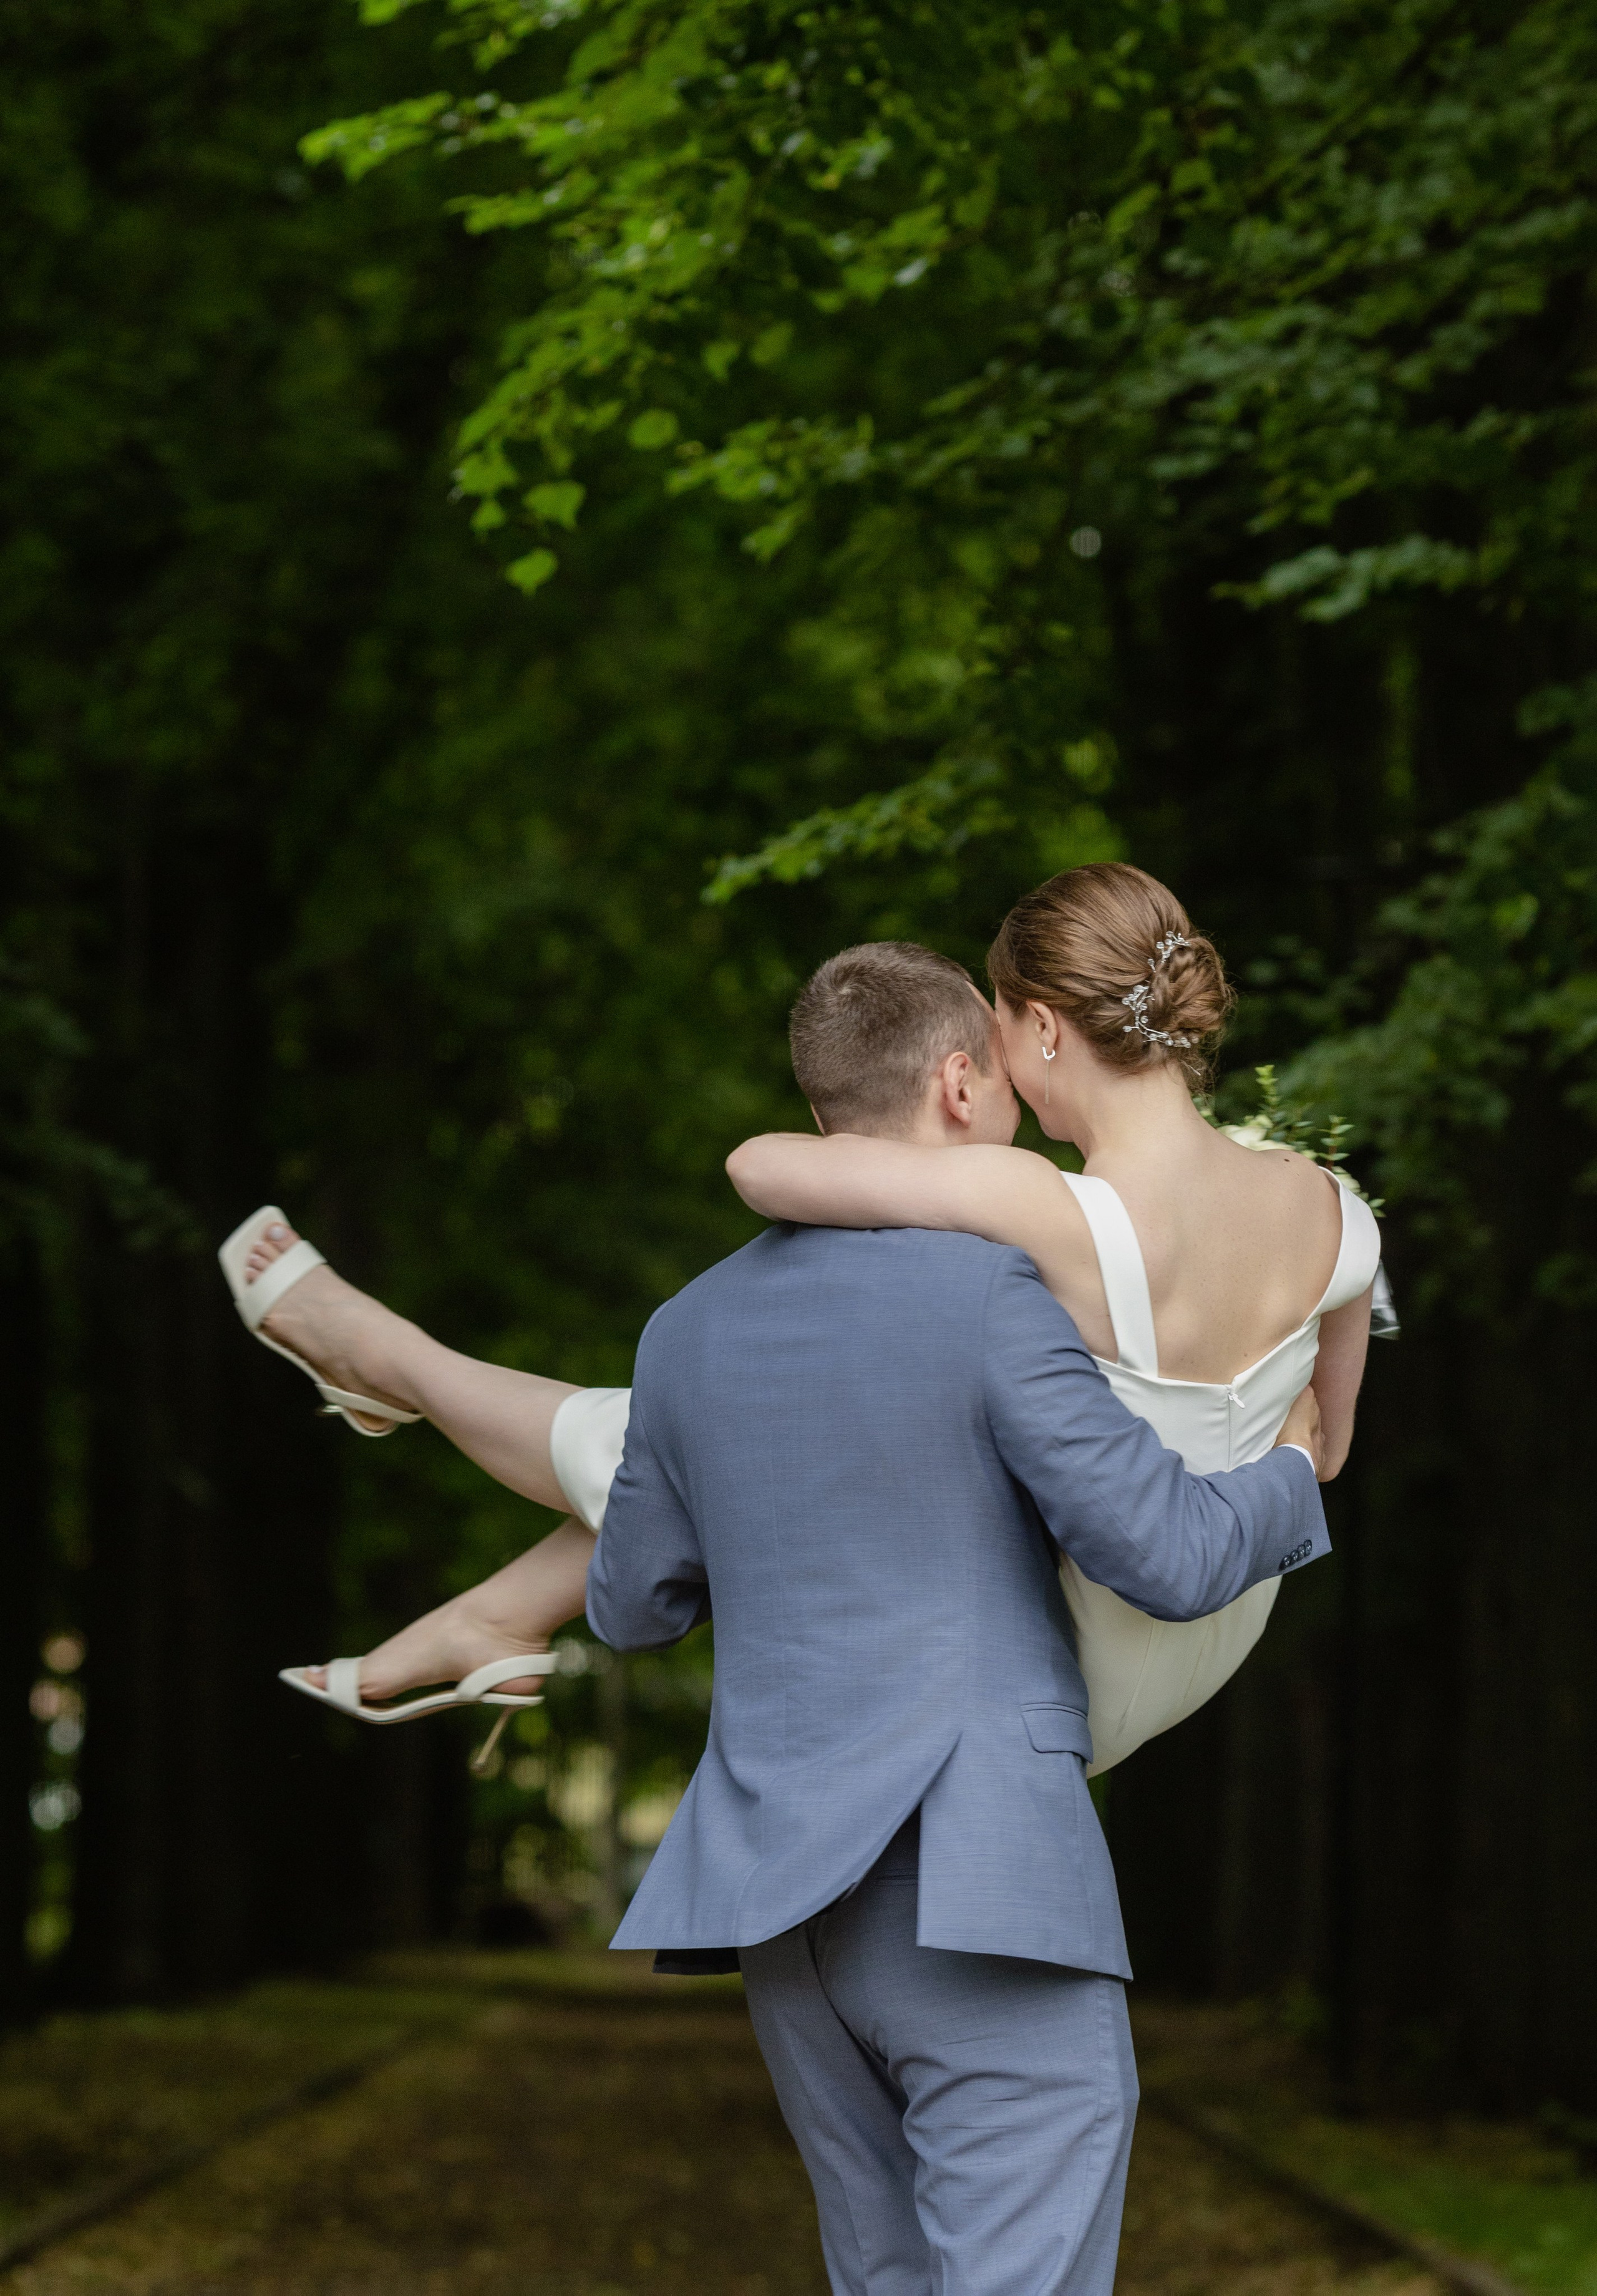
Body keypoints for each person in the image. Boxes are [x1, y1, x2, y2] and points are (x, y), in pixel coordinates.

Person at [233, 865, 1375, 1766]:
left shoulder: (1048, 1205)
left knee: (746, 1423)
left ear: (1038, 1030)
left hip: (1056, 1657)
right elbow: (1326, 1451)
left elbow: (763, 1168)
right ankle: (497, 1613)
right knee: (822, 1427)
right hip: (1214, 1630)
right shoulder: (1337, 1214)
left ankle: (396, 1366)